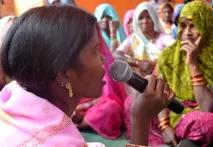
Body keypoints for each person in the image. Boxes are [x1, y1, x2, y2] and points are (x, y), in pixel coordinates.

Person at [0, 5, 171, 146]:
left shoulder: (14, 92)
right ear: (63, 73)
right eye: (96, 50)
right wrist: (140, 121)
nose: (104, 58)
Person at [157, 0, 213, 146]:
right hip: (179, 114)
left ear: (206, 27)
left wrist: (192, 64)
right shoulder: (168, 55)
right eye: (183, 25)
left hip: (211, 116)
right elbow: (159, 93)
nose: (187, 33)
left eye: (194, 26)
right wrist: (164, 125)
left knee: (209, 122)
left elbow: (207, 107)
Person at [115, 2, 174, 76]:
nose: (145, 21)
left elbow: (175, 47)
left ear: (154, 18)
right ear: (136, 21)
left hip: (162, 82)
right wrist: (138, 63)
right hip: (140, 83)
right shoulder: (133, 39)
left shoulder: (163, 38)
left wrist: (159, 61)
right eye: (141, 18)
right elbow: (116, 55)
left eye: (148, 17)